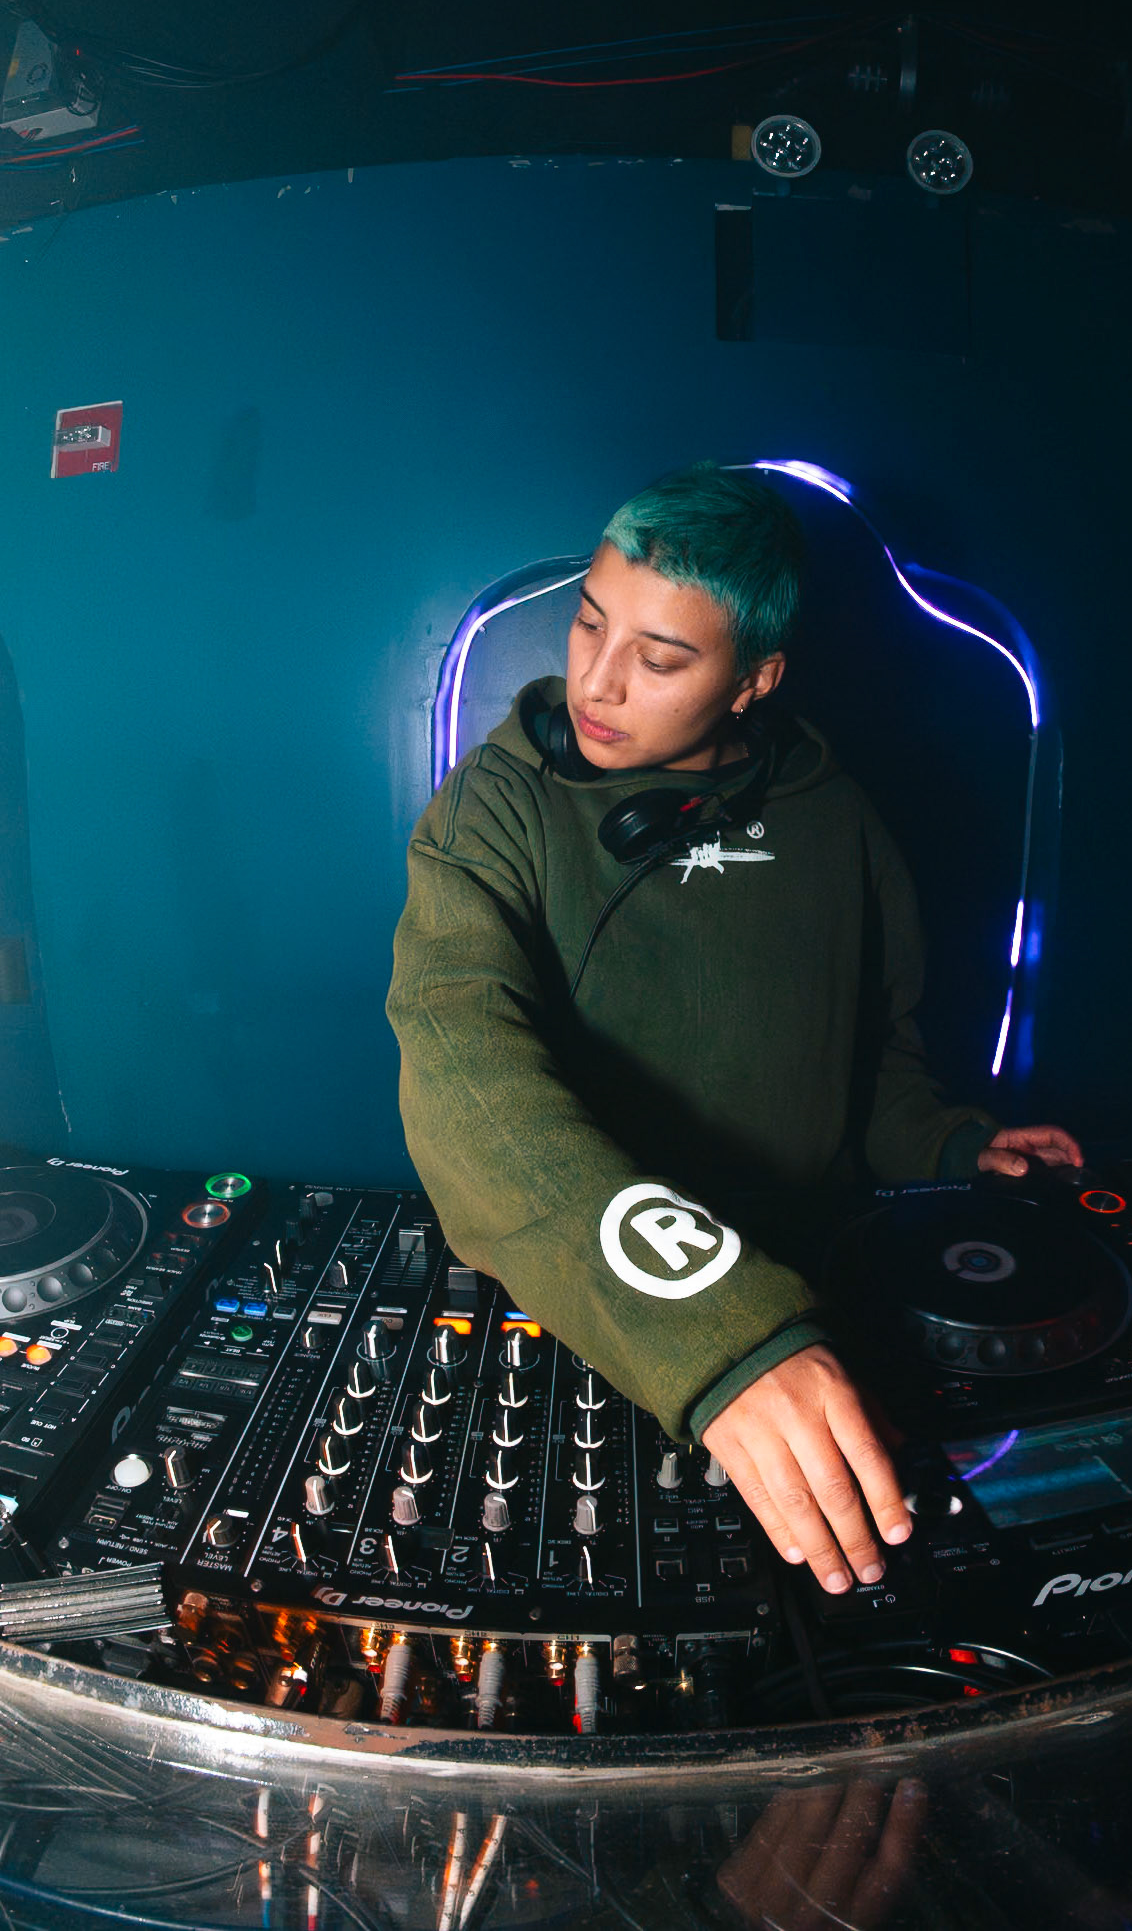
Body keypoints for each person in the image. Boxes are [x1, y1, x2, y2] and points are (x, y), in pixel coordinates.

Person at [387, 463, 1082, 1594]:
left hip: (807, 1309)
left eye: (660, 659)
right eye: (590, 623)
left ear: (756, 679)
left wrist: (952, 1144)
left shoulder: (840, 821)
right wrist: (725, 1335)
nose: (598, 681)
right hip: (615, 1320)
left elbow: (875, 1065)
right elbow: (465, 1073)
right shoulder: (494, 807)